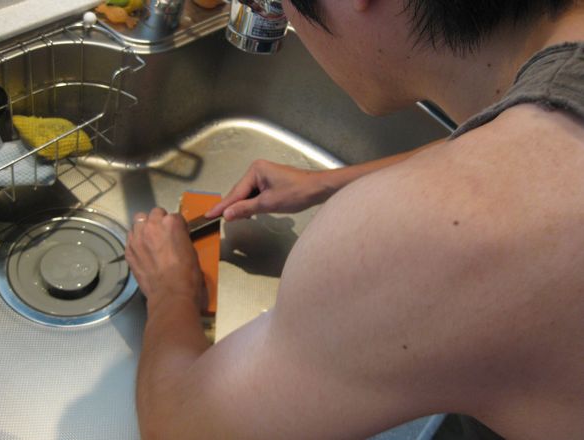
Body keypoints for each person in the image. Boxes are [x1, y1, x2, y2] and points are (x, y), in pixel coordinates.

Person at [125, 1, 584, 438]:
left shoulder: (426, 231)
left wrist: (170, 289)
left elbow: (181, 427)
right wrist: (327, 182)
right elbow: (501, 150)